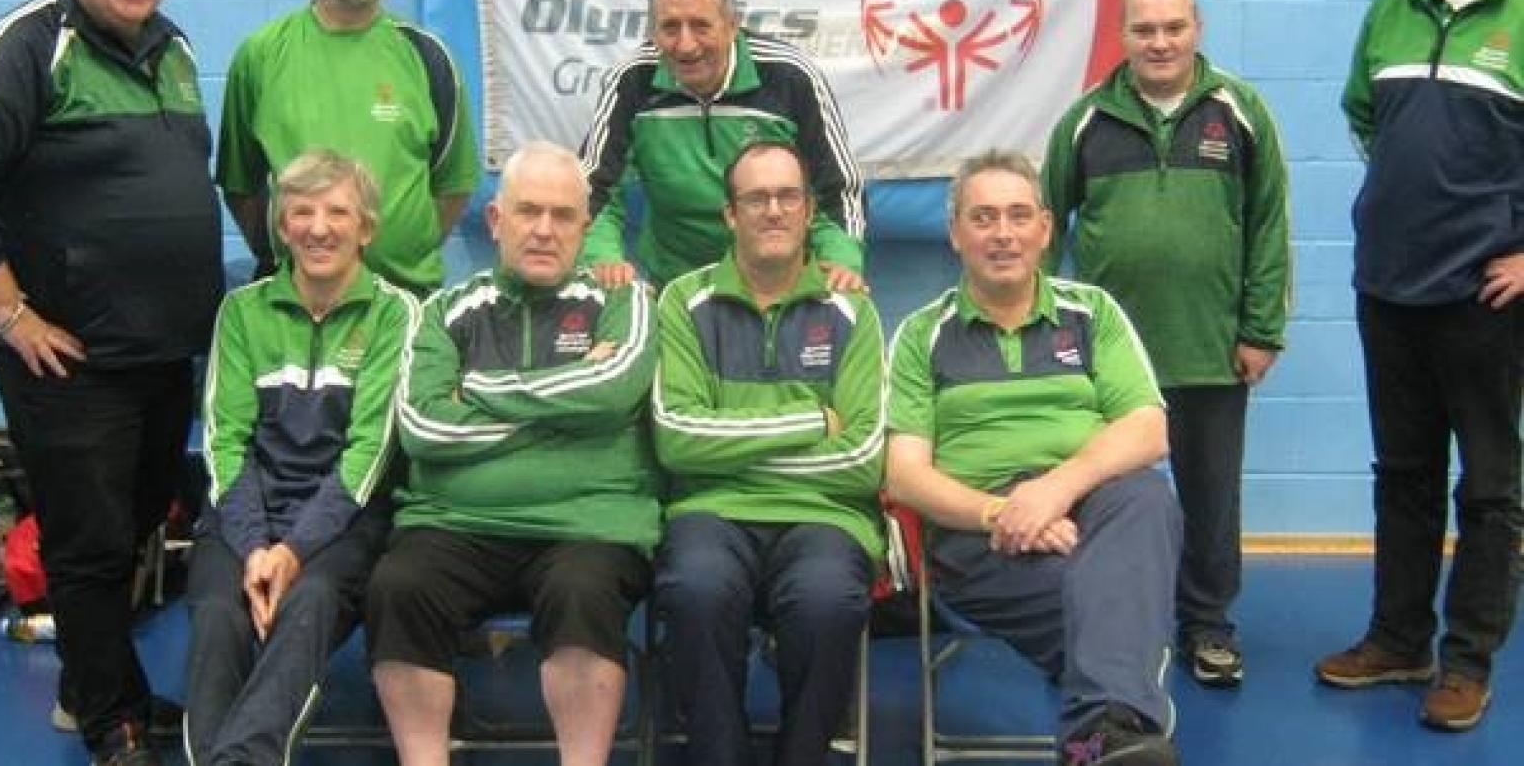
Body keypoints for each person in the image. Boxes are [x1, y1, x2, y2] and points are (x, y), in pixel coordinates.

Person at [0, 0, 222, 765]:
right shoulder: (29, 44)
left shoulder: (173, 47)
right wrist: (11, 313)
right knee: (87, 541)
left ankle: (98, 685)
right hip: (68, 359)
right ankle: (108, 721)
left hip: (163, 350)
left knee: (133, 525)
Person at [365, 141, 660, 766]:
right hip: (455, 526)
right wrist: (561, 414)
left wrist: (477, 390)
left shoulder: (624, 300)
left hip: (588, 525)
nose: (545, 230)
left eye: (563, 215)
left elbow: (613, 393)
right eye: (529, 212)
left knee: (584, 591)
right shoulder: (445, 311)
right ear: (497, 222)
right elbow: (422, 424)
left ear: (586, 226)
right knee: (399, 585)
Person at [886, 153, 1181, 766]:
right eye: (984, 217)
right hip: (979, 535)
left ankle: (1098, 737)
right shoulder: (922, 334)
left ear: (1046, 229)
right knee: (1115, 603)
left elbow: (1148, 429)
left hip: (1090, 510)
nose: (1003, 234)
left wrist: (1054, 489)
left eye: (1020, 216)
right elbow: (904, 474)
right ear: (956, 234)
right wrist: (1005, 512)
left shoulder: (1093, 312)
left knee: (1147, 494)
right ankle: (1112, 724)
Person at [1313, 0, 1522, 732]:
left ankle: (1467, 660)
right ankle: (1399, 638)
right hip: (1387, 282)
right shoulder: (1391, 6)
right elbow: (1368, 117)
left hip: (1487, 293)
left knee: (1488, 484)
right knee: (1403, 474)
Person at [1042, 0, 1292, 688]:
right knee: (1105, 496)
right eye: (1144, 29)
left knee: (1212, 498)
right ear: (1123, 36)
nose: (1159, 42)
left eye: (1173, 27)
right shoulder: (1085, 122)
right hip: (1106, 361)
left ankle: (1209, 625)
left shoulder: (1241, 113)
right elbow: (1040, 228)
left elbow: (1270, 223)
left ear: (1197, 29)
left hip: (1211, 348)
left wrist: (1261, 328)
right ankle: (1110, 625)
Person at [650, 141, 885, 765]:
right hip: (710, 513)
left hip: (825, 517)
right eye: (756, 198)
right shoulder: (681, 301)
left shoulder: (853, 310)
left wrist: (727, 441)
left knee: (827, 600)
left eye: (788, 197)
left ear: (810, 211)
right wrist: (811, 420)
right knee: (696, 588)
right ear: (730, 215)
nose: (773, 210)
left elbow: (862, 456)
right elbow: (676, 439)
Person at [184, 151, 416, 765]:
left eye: (337, 211)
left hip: (344, 520)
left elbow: (370, 451)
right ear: (281, 227)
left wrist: (291, 552)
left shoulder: (396, 313)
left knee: (307, 601)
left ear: (365, 227)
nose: (319, 227)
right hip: (243, 514)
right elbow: (224, 440)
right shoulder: (241, 312)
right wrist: (257, 544)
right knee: (217, 614)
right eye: (301, 212)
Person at [217, 0, 481, 296]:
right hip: (298, 305)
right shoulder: (261, 56)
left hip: (407, 300)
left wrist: (401, 251)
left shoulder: (429, 57)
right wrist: (287, 254)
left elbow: (453, 187)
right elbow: (240, 186)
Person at [580, 0, 867, 292]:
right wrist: (602, 257)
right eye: (670, 27)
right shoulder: (629, 82)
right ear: (653, 32)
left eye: (701, 26)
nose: (685, 45)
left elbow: (836, 188)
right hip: (674, 287)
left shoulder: (791, 78)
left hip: (781, 282)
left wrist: (841, 261)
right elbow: (595, 190)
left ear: (732, 26)